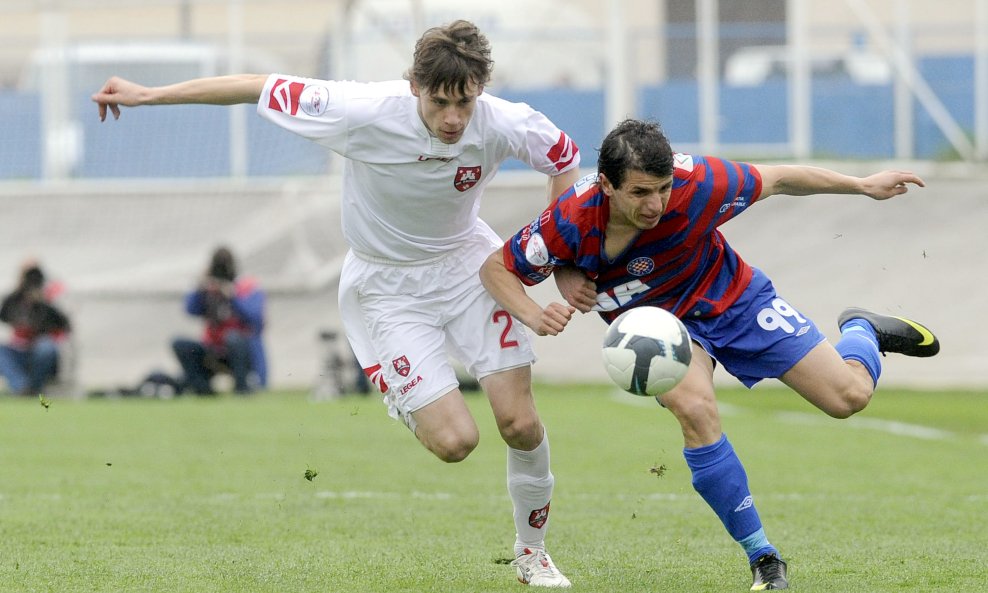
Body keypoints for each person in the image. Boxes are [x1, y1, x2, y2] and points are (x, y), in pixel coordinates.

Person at [93, 20, 581, 587]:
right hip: (388, 288)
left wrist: (561, 260)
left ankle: (532, 552)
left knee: (519, 424)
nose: (453, 118)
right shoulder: (361, 109)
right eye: (440, 102)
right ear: (415, 86)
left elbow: (564, 160)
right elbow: (255, 83)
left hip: (471, 270)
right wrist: (149, 95)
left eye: (465, 102)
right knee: (455, 444)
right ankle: (401, 391)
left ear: (481, 88)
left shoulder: (504, 120)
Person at [479, 119, 940, 591]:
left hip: (736, 300)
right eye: (639, 192)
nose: (655, 204)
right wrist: (537, 311)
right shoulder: (570, 220)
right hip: (662, 329)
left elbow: (779, 178)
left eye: (662, 189)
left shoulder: (699, 182)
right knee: (695, 408)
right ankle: (764, 558)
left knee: (849, 398)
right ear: (606, 185)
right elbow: (495, 267)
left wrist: (861, 186)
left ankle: (861, 330)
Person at [172, 246, 268, 395]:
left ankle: (242, 388)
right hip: (213, 348)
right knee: (180, 343)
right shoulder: (208, 288)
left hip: (241, 351)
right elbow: (190, 310)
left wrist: (232, 295)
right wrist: (200, 287)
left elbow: (255, 318)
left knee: (233, 338)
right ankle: (202, 389)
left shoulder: (247, 286)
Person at [0, 261, 72, 396]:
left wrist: (43, 302)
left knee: (46, 347)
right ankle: (21, 387)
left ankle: (34, 387)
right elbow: (4, 315)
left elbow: (65, 325)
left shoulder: (49, 299)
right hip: (19, 350)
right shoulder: (14, 299)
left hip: (41, 350)